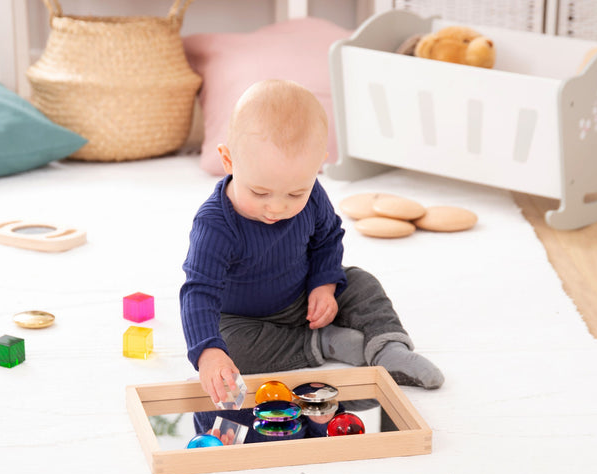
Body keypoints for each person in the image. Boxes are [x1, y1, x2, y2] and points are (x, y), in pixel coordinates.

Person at [180, 79, 444, 412]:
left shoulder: (313, 192)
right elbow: (198, 292)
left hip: (303, 296)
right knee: (232, 347)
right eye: (259, 192)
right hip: (243, 317)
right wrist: (208, 353)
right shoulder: (214, 225)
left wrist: (325, 283)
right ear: (228, 160)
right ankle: (325, 343)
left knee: (362, 281)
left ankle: (388, 348)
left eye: (295, 193)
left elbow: (328, 238)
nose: (277, 207)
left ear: (318, 165)